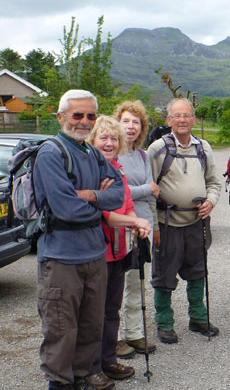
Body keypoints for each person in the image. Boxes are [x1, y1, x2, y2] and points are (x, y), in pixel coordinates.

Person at [33, 90, 124, 390]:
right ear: (60, 117)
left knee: (90, 323)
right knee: (61, 327)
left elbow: (118, 194)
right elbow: (66, 209)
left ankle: (85, 374)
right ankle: (60, 383)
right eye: (77, 115)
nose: (84, 122)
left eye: (90, 116)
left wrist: (91, 195)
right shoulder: (51, 153)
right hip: (61, 257)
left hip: (94, 253)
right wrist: (99, 200)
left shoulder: (92, 152)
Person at [148, 98, 221, 344]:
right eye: (176, 116)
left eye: (186, 115)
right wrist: (154, 226)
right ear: (168, 120)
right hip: (168, 223)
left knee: (197, 271)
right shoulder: (158, 149)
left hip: (196, 222)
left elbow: (214, 181)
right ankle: (165, 323)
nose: (182, 120)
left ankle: (198, 318)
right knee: (164, 275)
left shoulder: (204, 148)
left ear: (193, 120)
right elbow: (149, 188)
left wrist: (211, 201)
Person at [86, 116, 151, 389]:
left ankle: (109, 360)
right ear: (93, 140)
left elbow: (125, 205)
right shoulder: (91, 171)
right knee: (93, 312)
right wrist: (134, 222)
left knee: (112, 309)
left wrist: (137, 220)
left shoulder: (118, 169)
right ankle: (91, 367)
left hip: (119, 249)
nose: (110, 143)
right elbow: (104, 213)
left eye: (114, 138)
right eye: (104, 138)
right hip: (98, 250)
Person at [113, 101, 158, 358]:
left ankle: (134, 333)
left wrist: (154, 224)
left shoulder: (143, 156)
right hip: (121, 227)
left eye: (136, 122)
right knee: (118, 284)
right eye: (126, 121)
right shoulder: (111, 154)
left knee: (137, 283)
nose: (131, 127)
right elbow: (117, 192)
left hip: (142, 228)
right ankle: (116, 336)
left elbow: (152, 191)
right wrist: (144, 190)